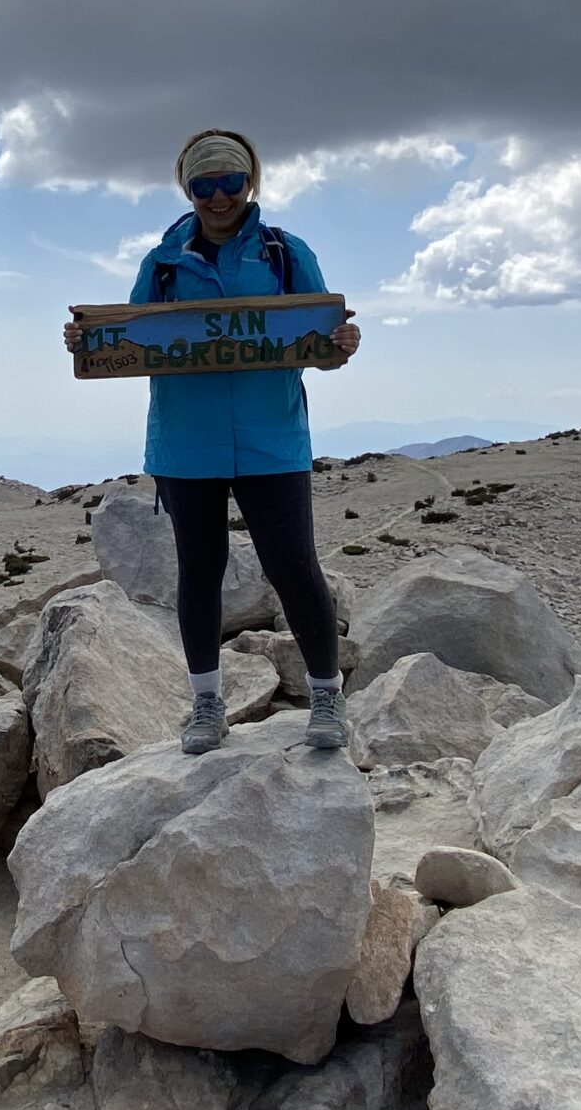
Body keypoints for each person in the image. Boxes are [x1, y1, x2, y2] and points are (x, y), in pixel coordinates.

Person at [61, 128, 362, 754]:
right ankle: (205, 704)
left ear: (250, 181)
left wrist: (341, 347)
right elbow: (130, 341)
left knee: (293, 567)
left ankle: (327, 696)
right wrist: (89, 342)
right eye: (205, 185)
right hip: (186, 442)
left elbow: (317, 334)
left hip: (272, 437)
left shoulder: (284, 252)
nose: (219, 197)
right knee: (200, 571)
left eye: (231, 181)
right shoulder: (163, 263)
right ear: (187, 188)